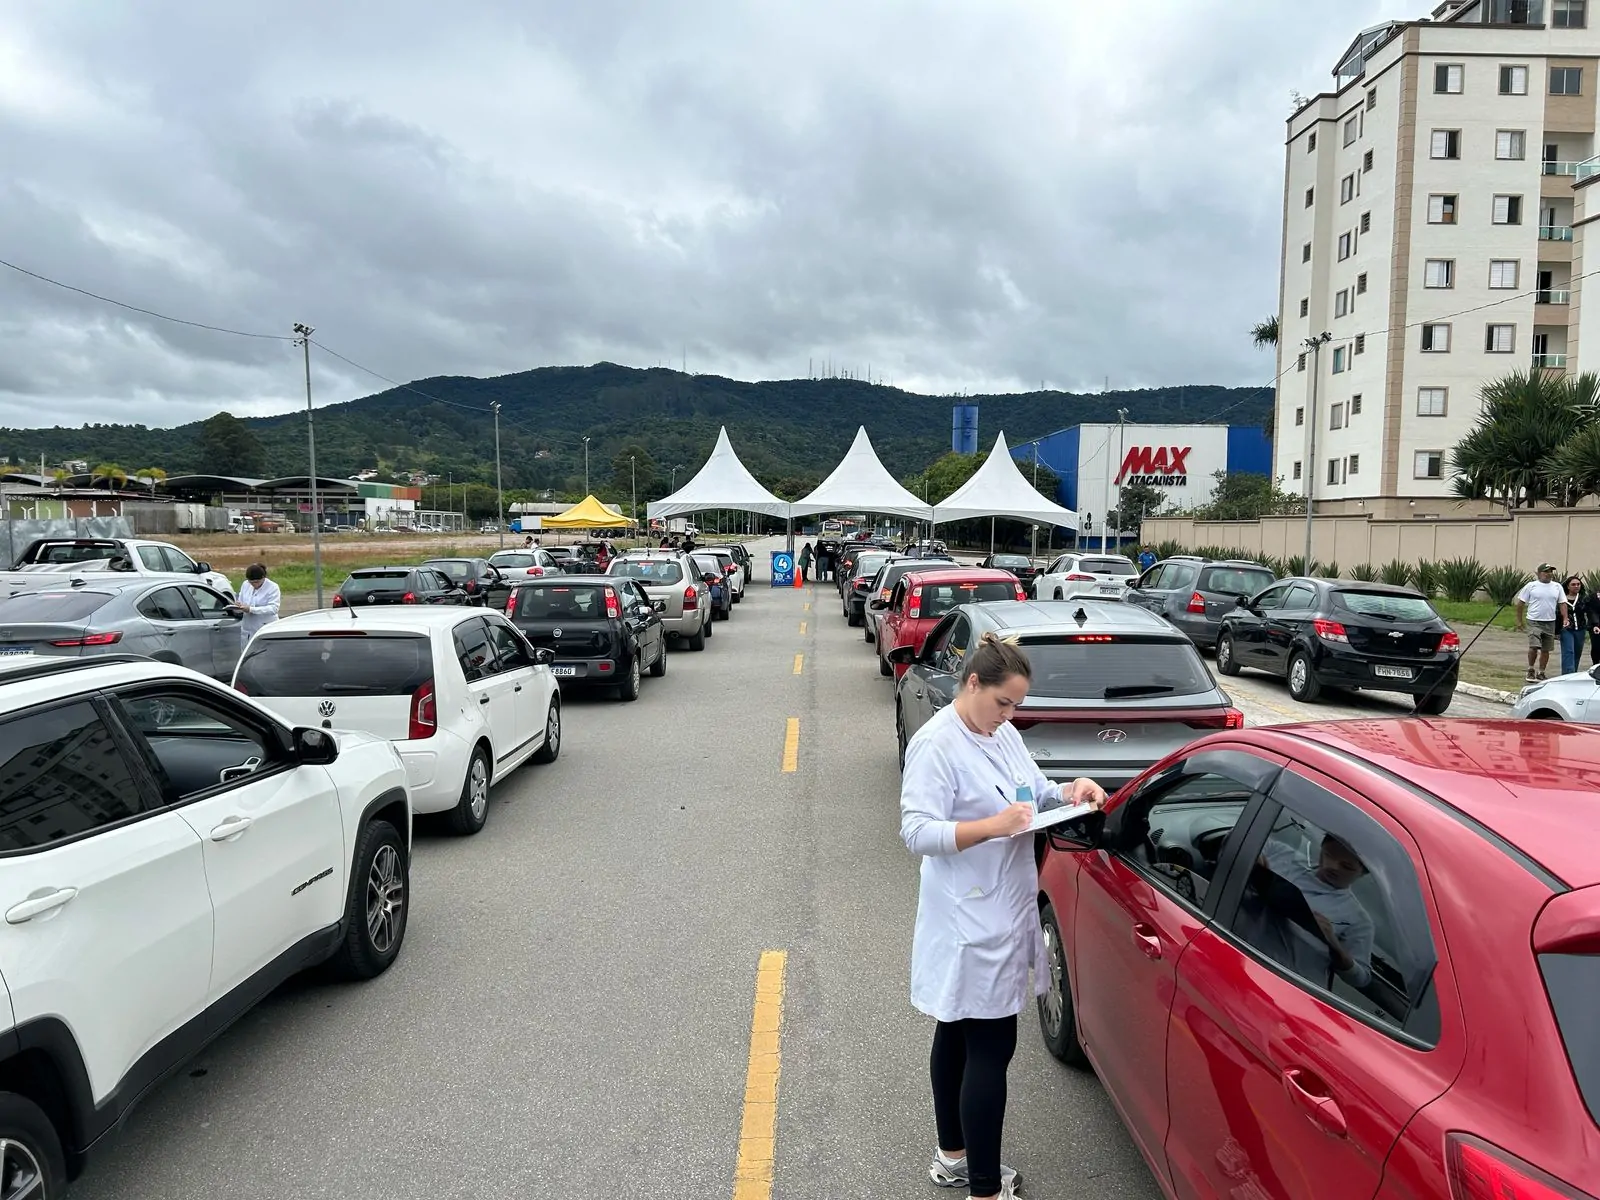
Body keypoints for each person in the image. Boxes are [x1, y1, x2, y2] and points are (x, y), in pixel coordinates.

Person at [900, 633, 1107, 1200]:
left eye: (1016, 705)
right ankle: (986, 1190)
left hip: (1003, 908)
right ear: (972, 684)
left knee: (958, 1032)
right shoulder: (936, 744)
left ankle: (952, 1158)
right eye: (1004, 703)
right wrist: (992, 826)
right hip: (968, 923)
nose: (1010, 715)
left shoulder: (1004, 733)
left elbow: (1033, 793)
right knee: (990, 1047)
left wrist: (1070, 791)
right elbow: (917, 831)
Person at [1243, 832, 1375, 988]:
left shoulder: (1358, 920)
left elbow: (1362, 979)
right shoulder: (1282, 855)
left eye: (1346, 866)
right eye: (1328, 854)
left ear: (1362, 873)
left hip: (1284, 983)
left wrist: (1335, 946)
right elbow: (1244, 837)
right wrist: (1250, 855)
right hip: (1240, 952)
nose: (1331, 865)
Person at [1515, 562, 1568, 682]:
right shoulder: (1531, 586)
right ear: (1539, 573)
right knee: (1534, 646)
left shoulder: (1557, 586)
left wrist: (1565, 618)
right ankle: (1530, 669)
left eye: (1550, 572)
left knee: (1546, 649)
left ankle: (1541, 672)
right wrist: (1519, 621)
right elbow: (1520, 604)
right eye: (1546, 572)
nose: (1549, 574)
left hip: (1550, 621)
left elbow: (1562, 603)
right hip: (1534, 620)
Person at [228, 563, 280, 648]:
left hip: (264, 627)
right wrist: (238, 606)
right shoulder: (245, 584)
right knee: (247, 655)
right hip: (247, 629)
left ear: (263, 577)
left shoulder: (273, 587)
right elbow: (241, 600)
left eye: (257, 582)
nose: (254, 585)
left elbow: (274, 609)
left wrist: (251, 609)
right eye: (251, 582)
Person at [1560, 575, 1588, 676]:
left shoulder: (1583, 598)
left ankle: (1573, 674)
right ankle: (1567, 674)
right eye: (1573, 584)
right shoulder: (1562, 599)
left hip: (1580, 629)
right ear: (1568, 586)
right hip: (1567, 629)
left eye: (1578, 584)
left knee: (1577, 652)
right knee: (1569, 651)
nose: (1576, 586)